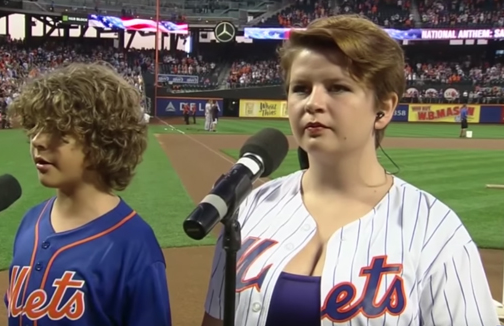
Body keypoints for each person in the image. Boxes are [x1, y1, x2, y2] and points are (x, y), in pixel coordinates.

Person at [200, 15, 498, 326]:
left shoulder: (435, 231)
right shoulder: (250, 207)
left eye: (337, 87)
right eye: (300, 88)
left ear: (383, 108)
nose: (313, 103)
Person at [5, 62, 171, 326]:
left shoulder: (133, 245)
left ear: (100, 142)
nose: (38, 140)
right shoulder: (30, 221)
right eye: (36, 127)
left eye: (59, 132)